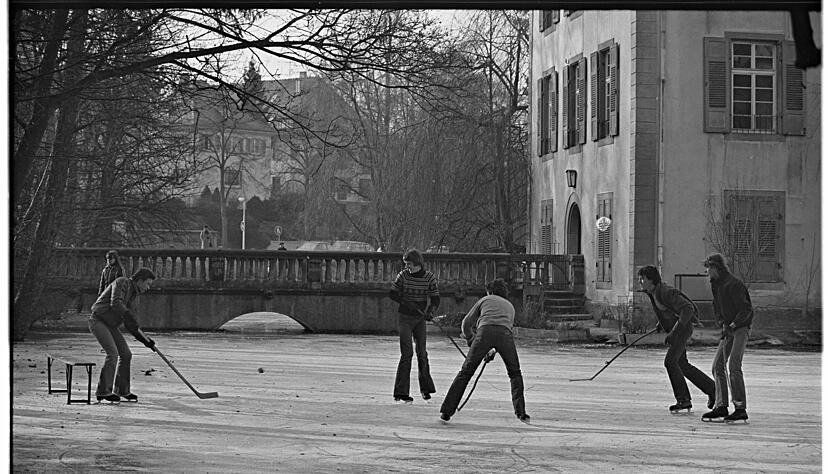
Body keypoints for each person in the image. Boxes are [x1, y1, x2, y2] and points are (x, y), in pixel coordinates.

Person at [439, 278, 529, 424]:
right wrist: (492, 352)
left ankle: (446, 412)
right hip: (505, 336)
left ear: (490, 291)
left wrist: (471, 340)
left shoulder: (485, 300)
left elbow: (466, 324)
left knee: (466, 373)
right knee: (515, 373)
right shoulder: (510, 306)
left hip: (484, 332)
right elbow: (503, 330)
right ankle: (521, 412)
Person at [637, 265, 715, 414]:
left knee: (670, 362)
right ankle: (712, 390)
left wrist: (674, 331)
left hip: (682, 329)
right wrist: (663, 323)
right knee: (682, 364)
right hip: (677, 329)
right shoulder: (653, 292)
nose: (640, 281)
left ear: (651, 280)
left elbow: (687, 308)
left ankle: (683, 399)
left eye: (642, 278)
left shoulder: (665, 291)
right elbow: (668, 310)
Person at [89, 268, 157, 403]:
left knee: (126, 354)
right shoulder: (122, 282)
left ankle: (122, 390)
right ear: (140, 280)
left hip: (111, 325)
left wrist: (145, 340)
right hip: (98, 320)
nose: (148, 288)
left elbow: (131, 325)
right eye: (147, 284)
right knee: (112, 354)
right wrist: (127, 315)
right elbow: (116, 302)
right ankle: (103, 391)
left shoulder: (134, 297)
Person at [701, 253, 753, 423]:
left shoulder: (734, 284)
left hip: (741, 327)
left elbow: (746, 310)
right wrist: (723, 322)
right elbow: (717, 306)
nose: (707, 271)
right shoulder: (716, 284)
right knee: (717, 366)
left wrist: (734, 324)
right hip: (729, 327)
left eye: (709, 268)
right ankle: (721, 405)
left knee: (734, 365)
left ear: (717, 268)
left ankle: (740, 407)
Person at [388, 248, 439, 403]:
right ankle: (401, 392)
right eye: (405, 264)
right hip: (404, 317)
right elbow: (392, 293)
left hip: (419, 319)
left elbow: (435, 298)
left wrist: (431, 311)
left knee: (422, 353)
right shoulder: (403, 276)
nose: (406, 267)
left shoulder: (429, 277)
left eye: (408, 264)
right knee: (407, 354)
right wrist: (405, 302)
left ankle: (426, 389)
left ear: (417, 263)